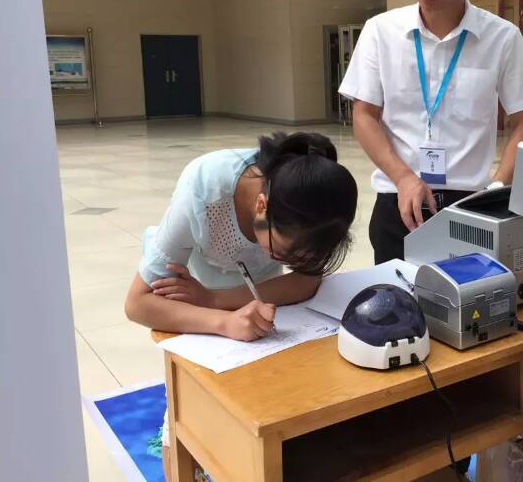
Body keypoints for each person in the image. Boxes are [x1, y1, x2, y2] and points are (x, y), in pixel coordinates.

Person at [124, 131, 358, 478]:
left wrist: (218, 300)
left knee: (266, 409)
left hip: (250, 297)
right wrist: (221, 319)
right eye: (283, 252)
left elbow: (306, 281)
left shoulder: (310, 204)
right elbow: (138, 304)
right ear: (261, 206)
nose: (289, 261)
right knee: (188, 420)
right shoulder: (203, 190)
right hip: (193, 295)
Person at [339, 0, 523, 264]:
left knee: (471, 298)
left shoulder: (502, 37)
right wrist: (403, 177)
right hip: (398, 201)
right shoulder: (380, 32)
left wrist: (496, 189)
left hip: (470, 204)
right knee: (396, 298)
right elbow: (364, 115)